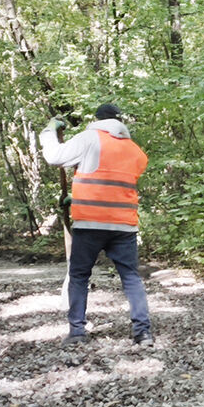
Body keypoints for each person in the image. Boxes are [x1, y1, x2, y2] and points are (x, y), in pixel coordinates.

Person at [40, 103, 153, 345]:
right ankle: (143, 333)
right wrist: (76, 196)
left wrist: (49, 131)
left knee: (79, 276)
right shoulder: (135, 150)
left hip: (90, 222)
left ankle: (77, 332)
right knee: (131, 277)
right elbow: (113, 178)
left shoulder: (90, 138)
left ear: (98, 119)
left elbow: (54, 157)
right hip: (124, 225)